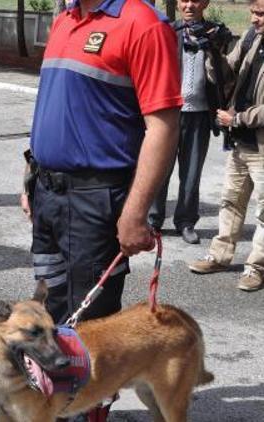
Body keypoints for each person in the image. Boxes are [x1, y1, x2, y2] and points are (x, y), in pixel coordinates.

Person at [21, 0, 181, 419]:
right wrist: (31, 174)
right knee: (54, 312)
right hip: (48, 194)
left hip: (95, 202)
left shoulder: (142, 24)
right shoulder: (64, 19)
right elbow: (51, 106)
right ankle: (58, 404)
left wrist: (135, 211)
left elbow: (163, 125)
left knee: (91, 330)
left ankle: (87, 412)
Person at [188, 0, 264, 292]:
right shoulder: (249, 37)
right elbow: (225, 74)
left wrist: (239, 118)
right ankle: (220, 255)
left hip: (257, 140)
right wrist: (213, 51)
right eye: (252, 12)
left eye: (260, 14)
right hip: (240, 141)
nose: (254, 19)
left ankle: (256, 268)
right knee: (230, 201)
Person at [149, 0, 225, 244]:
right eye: (183, 0)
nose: (189, 5)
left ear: (205, 3)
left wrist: (216, 44)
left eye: (195, 0)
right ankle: (153, 220)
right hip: (170, 112)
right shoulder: (168, 31)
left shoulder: (215, 34)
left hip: (200, 114)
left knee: (191, 173)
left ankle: (186, 222)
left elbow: (227, 71)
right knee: (160, 168)